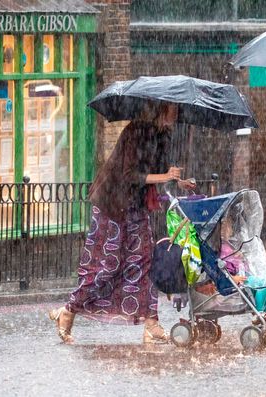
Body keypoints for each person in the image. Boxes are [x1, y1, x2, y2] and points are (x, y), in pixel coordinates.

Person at [48, 102, 196, 344]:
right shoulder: (136, 131)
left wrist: (176, 181)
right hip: (113, 204)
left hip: (136, 206)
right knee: (107, 266)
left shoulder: (161, 134)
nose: (176, 114)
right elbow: (130, 176)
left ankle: (151, 321)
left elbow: (157, 170)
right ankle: (68, 311)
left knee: (146, 260)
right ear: (161, 108)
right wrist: (164, 176)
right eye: (173, 109)